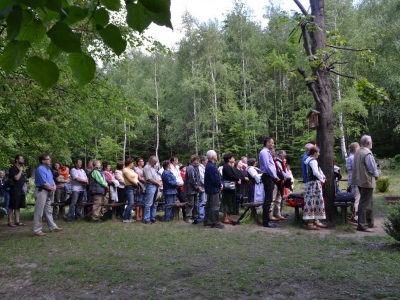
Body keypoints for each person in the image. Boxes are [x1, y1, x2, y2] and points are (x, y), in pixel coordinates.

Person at [352, 135, 380, 232]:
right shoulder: (367, 153)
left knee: (369, 201)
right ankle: (362, 225)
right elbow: (372, 168)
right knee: (364, 203)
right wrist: (377, 175)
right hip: (366, 180)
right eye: (371, 141)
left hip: (360, 180)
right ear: (368, 143)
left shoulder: (358, 152)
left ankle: (369, 222)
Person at [33, 153, 63, 236]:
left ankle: (53, 226)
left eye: (49, 159)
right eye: (48, 159)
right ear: (43, 161)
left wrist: (54, 186)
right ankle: (37, 230)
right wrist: (52, 188)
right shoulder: (40, 169)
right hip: (41, 191)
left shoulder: (48, 169)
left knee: (48, 210)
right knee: (39, 211)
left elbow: (52, 179)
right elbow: (44, 183)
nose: (50, 160)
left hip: (48, 191)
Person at [303, 146, 327, 230]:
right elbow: (315, 172)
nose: (319, 154)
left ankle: (316, 220)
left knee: (314, 201)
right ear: (315, 153)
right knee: (313, 202)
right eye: (318, 152)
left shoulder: (309, 160)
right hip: (313, 184)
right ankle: (310, 223)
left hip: (310, 184)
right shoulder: (313, 161)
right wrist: (322, 179)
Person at [259, 137, 278, 228]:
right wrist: (274, 176)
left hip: (269, 176)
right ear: (267, 143)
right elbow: (267, 166)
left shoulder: (267, 153)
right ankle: (266, 221)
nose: (273, 144)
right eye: (272, 143)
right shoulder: (264, 153)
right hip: (267, 176)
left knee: (269, 199)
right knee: (268, 200)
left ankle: (267, 219)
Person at [203, 150, 224, 229]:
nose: (217, 155)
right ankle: (214, 222)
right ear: (212, 157)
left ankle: (207, 220)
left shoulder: (210, 165)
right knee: (215, 206)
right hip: (213, 188)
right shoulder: (211, 166)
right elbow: (214, 178)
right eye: (215, 154)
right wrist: (220, 184)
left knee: (209, 205)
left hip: (210, 188)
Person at [220, 153, 240, 224]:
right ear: (229, 159)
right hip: (227, 187)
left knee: (230, 201)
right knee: (226, 202)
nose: (234, 159)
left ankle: (228, 217)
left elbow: (236, 174)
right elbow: (231, 176)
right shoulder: (226, 167)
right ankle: (225, 218)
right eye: (232, 157)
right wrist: (238, 178)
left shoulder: (230, 166)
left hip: (231, 186)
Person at [7, 155, 27, 227]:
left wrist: (25, 186)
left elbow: (23, 179)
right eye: (22, 158)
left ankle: (17, 221)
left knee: (18, 205)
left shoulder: (21, 168)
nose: (23, 160)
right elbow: (16, 178)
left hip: (20, 189)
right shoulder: (12, 168)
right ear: (17, 160)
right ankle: (10, 221)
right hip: (14, 189)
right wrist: (20, 170)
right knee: (12, 205)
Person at [142, 156, 162, 224]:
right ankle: (146, 219)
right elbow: (149, 178)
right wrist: (158, 183)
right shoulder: (147, 168)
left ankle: (153, 218)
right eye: (155, 161)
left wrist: (159, 182)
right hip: (150, 186)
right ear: (151, 161)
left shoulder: (154, 167)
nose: (156, 163)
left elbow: (157, 176)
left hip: (156, 186)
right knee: (149, 203)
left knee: (155, 203)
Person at [184, 154, 203, 224]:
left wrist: (198, 186)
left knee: (196, 204)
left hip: (195, 189)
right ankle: (188, 217)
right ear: (193, 160)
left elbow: (198, 178)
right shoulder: (191, 168)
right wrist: (198, 187)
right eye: (196, 160)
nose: (198, 161)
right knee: (190, 203)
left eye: (198, 160)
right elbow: (192, 179)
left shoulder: (196, 167)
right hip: (190, 189)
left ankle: (195, 217)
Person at [346, 142, 361, 222]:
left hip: (350, 180)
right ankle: (355, 215)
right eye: (359, 148)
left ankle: (353, 214)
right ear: (355, 149)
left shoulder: (349, 158)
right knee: (356, 198)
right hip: (355, 181)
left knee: (353, 198)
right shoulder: (353, 158)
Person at [122, 158, 138, 223]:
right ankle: (125, 218)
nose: (133, 164)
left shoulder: (131, 170)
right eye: (132, 163)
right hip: (129, 187)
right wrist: (137, 184)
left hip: (133, 187)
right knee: (130, 203)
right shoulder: (125, 170)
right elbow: (130, 179)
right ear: (129, 163)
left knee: (131, 203)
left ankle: (129, 217)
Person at [198, 156, 208, 220]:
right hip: (202, 187)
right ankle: (201, 215)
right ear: (203, 161)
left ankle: (204, 214)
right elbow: (202, 178)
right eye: (206, 161)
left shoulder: (204, 167)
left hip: (205, 187)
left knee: (204, 201)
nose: (207, 162)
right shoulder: (200, 168)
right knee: (202, 202)